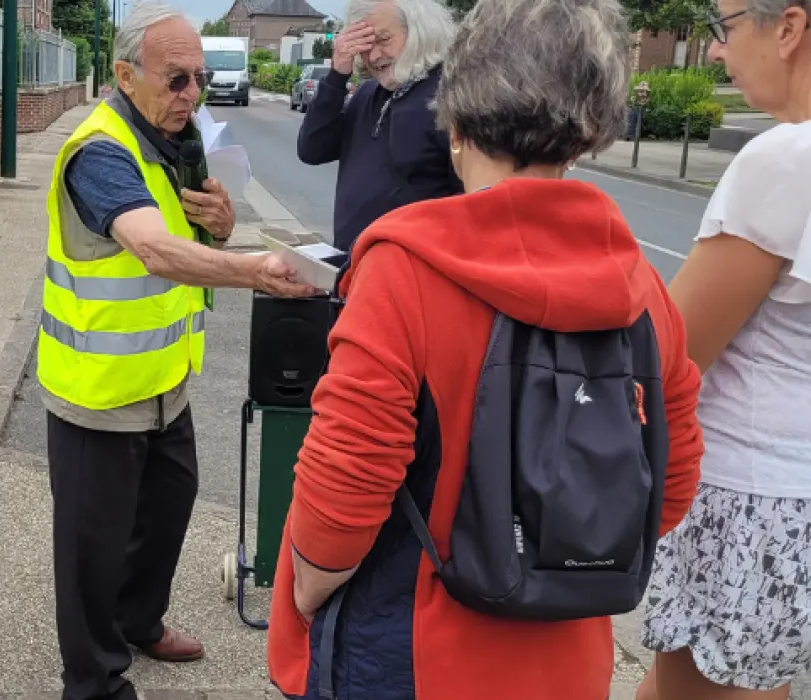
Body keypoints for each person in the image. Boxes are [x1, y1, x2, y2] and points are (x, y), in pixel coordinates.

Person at [264, 0, 706, 696]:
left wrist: (307, 593)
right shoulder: (644, 288)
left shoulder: (405, 268)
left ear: (457, 117)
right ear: (592, 125)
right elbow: (669, 482)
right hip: (563, 654)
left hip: (411, 645)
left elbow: (340, 492)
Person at [38, 3, 317, 699]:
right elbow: (153, 249)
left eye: (198, 77)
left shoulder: (173, 142)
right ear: (125, 75)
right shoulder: (101, 150)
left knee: (168, 506)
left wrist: (222, 229)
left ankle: (137, 620)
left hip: (164, 381)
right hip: (97, 390)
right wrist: (253, 268)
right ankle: (95, 681)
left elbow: (186, 236)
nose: (193, 93)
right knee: (90, 550)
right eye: (176, 79)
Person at [636, 0, 811, 697]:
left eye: (723, 26)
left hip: (746, 493)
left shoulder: (786, 159)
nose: (714, 51)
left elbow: (669, 354)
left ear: (791, 28)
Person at [296, 0, 463, 257]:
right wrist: (337, 76)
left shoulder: (451, 97)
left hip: (416, 274)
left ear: (420, 33)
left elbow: (472, 202)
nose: (373, 56)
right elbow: (312, 149)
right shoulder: (368, 93)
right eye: (365, 45)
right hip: (356, 270)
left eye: (383, 40)